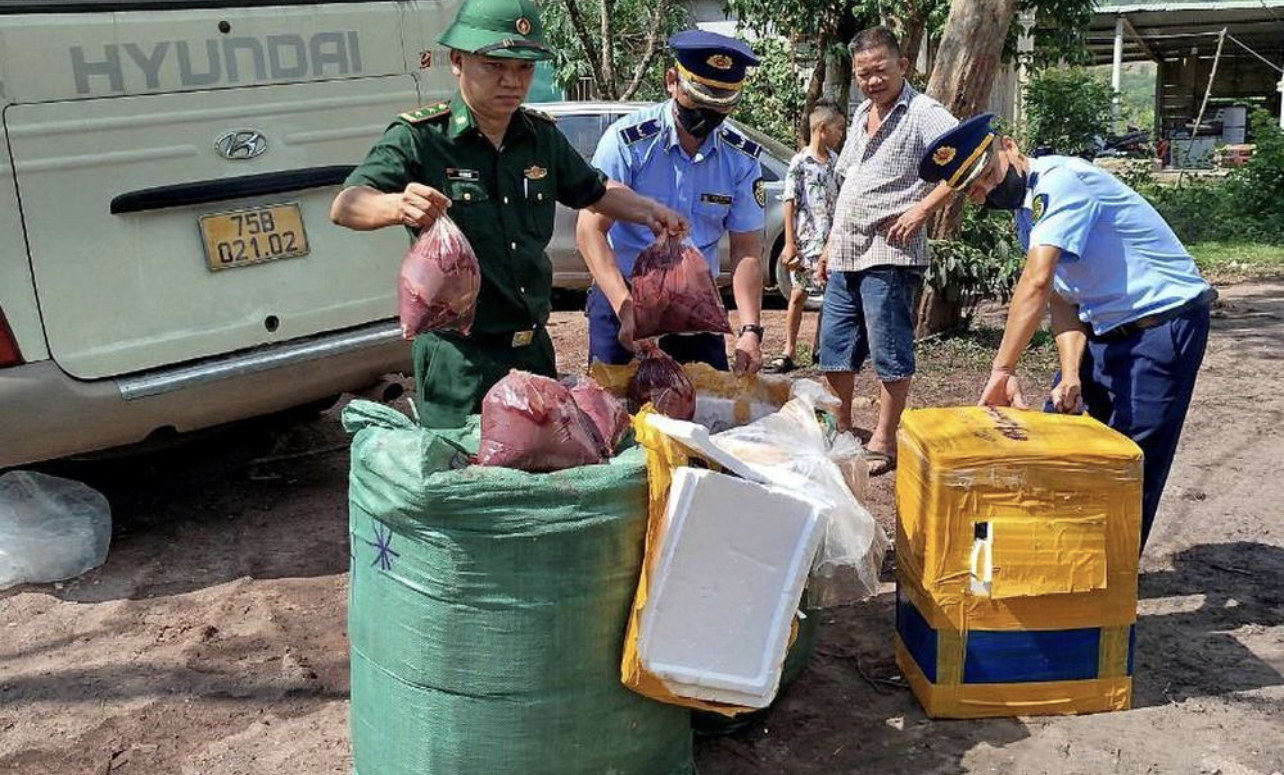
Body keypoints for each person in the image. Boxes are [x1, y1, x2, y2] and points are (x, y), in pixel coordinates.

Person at [330, 0, 685, 428]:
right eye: (495, 66)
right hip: (459, 360)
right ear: (457, 62)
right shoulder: (422, 138)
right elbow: (347, 204)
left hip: (531, 350)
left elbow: (594, 191)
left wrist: (648, 210)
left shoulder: (540, 139)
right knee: (464, 481)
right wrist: (394, 204)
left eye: (523, 68)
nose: (512, 81)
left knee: (541, 474)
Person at [919, 112, 1215, 549]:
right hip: (1102, 329)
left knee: (1130, 461)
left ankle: (1106, 589)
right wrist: (1072, 373)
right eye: (974, 191)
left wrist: (1001, 370)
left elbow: (1036, 283)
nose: (985, 192)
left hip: (1161, 324)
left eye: (986, 176)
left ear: (1010, 147)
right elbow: (1062, 299)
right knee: (1060, 435)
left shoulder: (1060, 182)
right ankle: (1066, 562)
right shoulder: (1027, 217)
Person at [577, 30, 766, 375]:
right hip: (623, 292)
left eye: (720, 104)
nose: (708, 113)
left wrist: (750, 330)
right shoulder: (628, 142)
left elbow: (747, 249)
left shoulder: (741, 158)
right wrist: (624, 307)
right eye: (699, 98)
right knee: (612, 410)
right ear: (671, 82)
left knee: (702, 407)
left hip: (695, 305)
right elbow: (590, 231)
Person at [815, 26, 958, 475]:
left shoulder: (923, 112)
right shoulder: (860, 117)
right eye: (863, 74)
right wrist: (826, 247)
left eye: (880, 70)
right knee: (834, 347)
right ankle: (839, 429)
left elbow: (969, 160)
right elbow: (850, 182)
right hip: (845, 251)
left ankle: (884, 438)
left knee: (889, 351)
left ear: (903, 65)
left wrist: (921, 211)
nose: (872, 81)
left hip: (890, 254)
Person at [764, 100, 846, 374]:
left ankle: (820, 346)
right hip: (806, 239)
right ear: (821, 129)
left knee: (829, 294)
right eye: (837, 128)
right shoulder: (800, 162)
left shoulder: (835, 161)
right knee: (798, 293)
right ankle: (788, 348)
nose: (840, 134)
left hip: (830, 241)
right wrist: (789, 242)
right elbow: (790, 200)